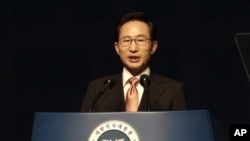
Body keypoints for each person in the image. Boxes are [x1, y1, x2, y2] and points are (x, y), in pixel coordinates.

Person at [81, 12, 188, 112]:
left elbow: (183, 130)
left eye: (140, 40)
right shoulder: (98, 89)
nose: (133, 48)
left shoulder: (173, 91)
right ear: (117, 48)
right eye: (126, 40)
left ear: (153, 47)